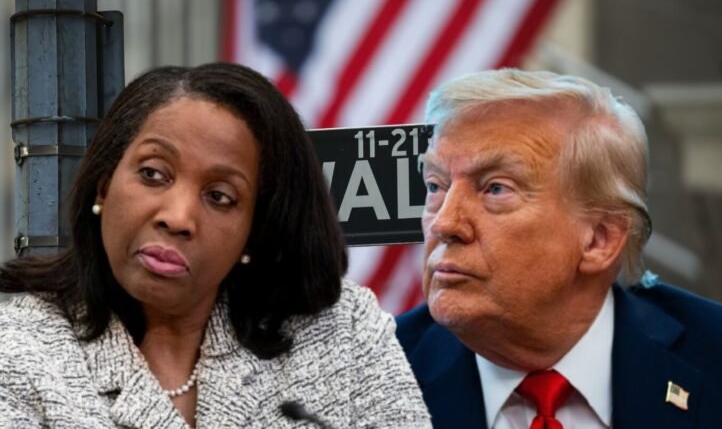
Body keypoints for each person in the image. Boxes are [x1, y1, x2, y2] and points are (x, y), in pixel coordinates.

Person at [0, 62, 430, 428]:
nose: (178, 218)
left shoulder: (343, 332)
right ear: (104, 185)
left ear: (254, 230)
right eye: (153, 174)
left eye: (220, 197)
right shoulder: (19, 348)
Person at [396, 68, 722, 429]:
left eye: (496, 188)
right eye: (435, 186)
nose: (444, 224)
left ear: (599, 240)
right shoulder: (370, 380)